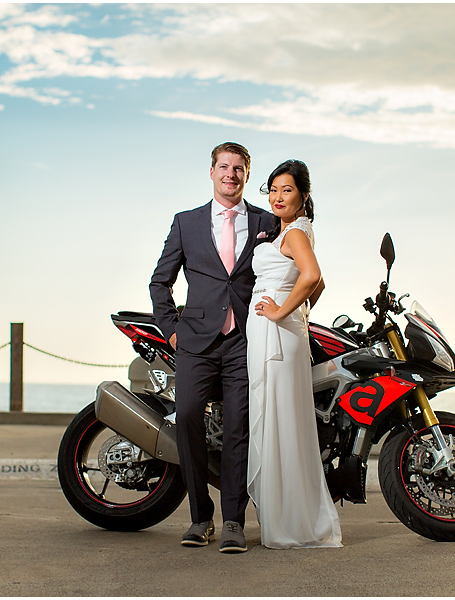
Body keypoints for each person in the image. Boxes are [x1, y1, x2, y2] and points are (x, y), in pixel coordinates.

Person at [150, 142, 276, 553]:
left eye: (239, 168)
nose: (231, 174)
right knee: (186, 417)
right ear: (211, 172)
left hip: (245, 340)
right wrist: (172, 329)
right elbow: (160, 281)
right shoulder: (185, 222)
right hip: (196, 342)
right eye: (224, 166)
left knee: (239, 428)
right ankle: (200, 518)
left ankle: (234, 522)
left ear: (247, 175)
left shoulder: (266, 223)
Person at [246, 159, 343, 549]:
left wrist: (281, 312)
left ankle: (290, 523)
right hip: (278, 332)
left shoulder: (297, 232)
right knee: (282, 420)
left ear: (303, 195)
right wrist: (298, 312)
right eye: (272, 189)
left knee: (280, 420)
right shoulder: (290, 230)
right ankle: (288, 516)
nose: (277, 197)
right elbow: (317, 284)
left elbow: (313, 276)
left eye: (286, 190)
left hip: (277, 335)